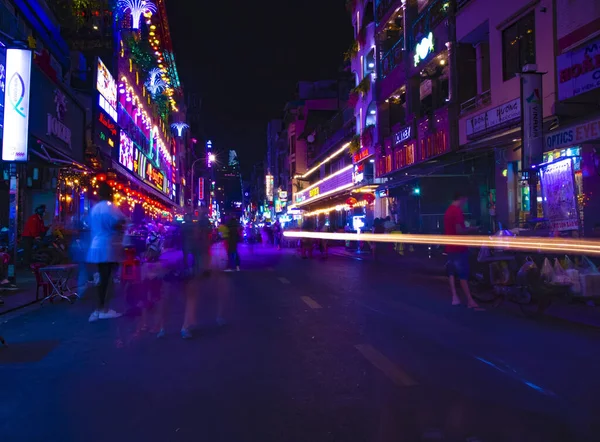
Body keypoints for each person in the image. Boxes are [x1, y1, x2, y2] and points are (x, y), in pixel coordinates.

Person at [87, 182, 126, 321]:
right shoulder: (111, 208)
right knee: (108, 278)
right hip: (108, 246)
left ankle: (98, 309)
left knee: (101, 278)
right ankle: (104, 309)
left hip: (96, 246)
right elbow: (120, 222)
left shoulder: (95, 208)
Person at [444, 192, 480, 309]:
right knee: (463, 273)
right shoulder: (457, 211)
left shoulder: (448, 211)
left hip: (450, 246)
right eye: (465, 201)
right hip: (459, 247)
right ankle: (469, 300)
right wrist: (471, 229)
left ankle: (455, 297)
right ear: (462, 199)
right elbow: (459, 230)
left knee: (452, 273)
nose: (465, 204)